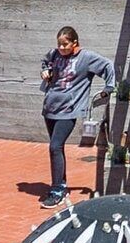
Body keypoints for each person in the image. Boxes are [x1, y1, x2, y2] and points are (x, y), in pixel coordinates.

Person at [38, 26, 113, 204]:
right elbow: (45, 62)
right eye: (59, 44)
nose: (62, 48)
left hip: (69, 110)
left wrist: (109, 87)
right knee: (57, 149)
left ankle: (56, 190)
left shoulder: (85, 58)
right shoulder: (54, 54)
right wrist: (45, 71)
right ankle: (61, 184)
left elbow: (107, 65)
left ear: (75, 43)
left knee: (54, 147)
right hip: (50, 108)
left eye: (65, 44)